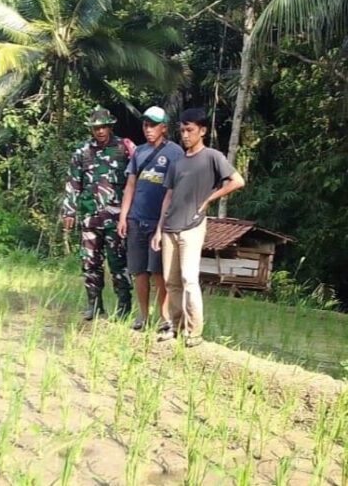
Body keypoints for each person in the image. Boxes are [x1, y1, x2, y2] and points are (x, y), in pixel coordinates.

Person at [150, 108, 245, 347]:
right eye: (182, 130)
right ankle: (173, 325)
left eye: (189, 130)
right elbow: (168, 197)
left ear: (202, 131)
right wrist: (159, 229)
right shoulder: (177, 162)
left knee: (189, 278)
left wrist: (210, 199)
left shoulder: (212, 157)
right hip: (170, 227)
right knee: (172, 282)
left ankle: (194, 332)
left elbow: (237, 181)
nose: (185, 135)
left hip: (193, 226)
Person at [63, 107, 134, 321]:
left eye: (103, 127)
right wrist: (69, 210)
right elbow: (73, 182)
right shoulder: (82, 151)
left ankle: (123, 306)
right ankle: (94, 304)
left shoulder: (125, 149)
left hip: (116, 219)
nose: (100, 131)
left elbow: (135, 181)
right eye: (96, 128)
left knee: (118, 263)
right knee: (89, 262)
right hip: (90, 217)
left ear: (110, 127)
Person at [117, 106, 184, 332]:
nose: (148, 129)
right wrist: (123, 217)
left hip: (160, 222)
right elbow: (131, 185)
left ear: (164, 127)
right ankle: (143, 316)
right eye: (146, 125)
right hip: (136, 219)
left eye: (153, 125)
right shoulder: (139, 152)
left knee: (158, 272)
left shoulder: (175, 153)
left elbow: (174, 189)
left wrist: (165, 224)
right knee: (138, 271)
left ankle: (164, 317)